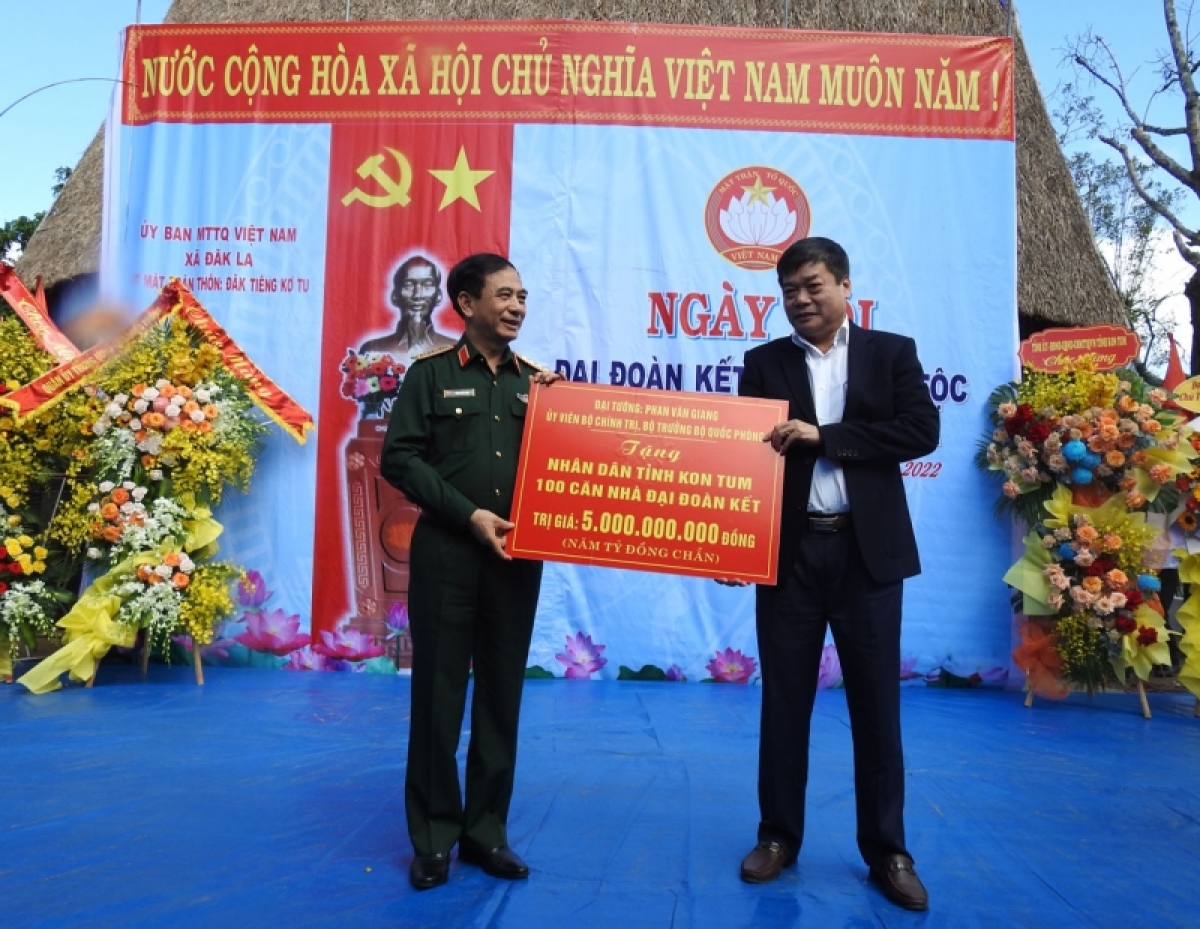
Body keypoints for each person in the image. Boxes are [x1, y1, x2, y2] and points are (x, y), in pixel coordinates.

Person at [732, 237, 939, 911]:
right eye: (789, 290)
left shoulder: (892, 353)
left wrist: (828, 436)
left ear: (846, 286)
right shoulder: (762, 363)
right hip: (789, 558)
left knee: (877, 707)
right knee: (783, 703)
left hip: (866, 557)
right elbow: (746, 463)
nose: (800, 299)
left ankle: (889, 851)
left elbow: (921, 432)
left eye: (812, 285)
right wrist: (736, 546)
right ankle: (776, 837)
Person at [380, 252, 558, 891]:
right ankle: (434, 836)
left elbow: (569, 462)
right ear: (466, 303)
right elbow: (399, 460)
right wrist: (469, 514)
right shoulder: (429, 375)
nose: (517, 306)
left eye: (522, 296)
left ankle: (487, 834)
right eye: (504, 295)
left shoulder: (539, 385)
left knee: (501, 698)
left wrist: (569, 414)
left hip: (516, 560)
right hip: (448, 556)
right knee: (438, 696)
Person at [360, 255, 455, 359]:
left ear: (439, 296)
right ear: (395, 296)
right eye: (408, 285)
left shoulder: (454, 349)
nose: (417, 295)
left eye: (427, 285)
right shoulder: (373, 350)